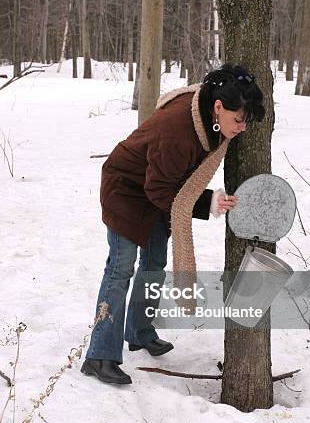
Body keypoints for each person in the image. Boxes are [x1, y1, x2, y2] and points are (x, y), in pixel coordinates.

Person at [81, 64, 265, 385]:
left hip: (156, 187)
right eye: (239, 120)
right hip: (126, 189)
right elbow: (161, 190)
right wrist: (206, 202)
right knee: (120, 269)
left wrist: (203, 200)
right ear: (219, 108)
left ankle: (139, 331)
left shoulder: (208, 113)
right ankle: (99, 356)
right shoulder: (177, 132)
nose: (242, 129)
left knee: (154, 262)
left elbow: (167, 184)